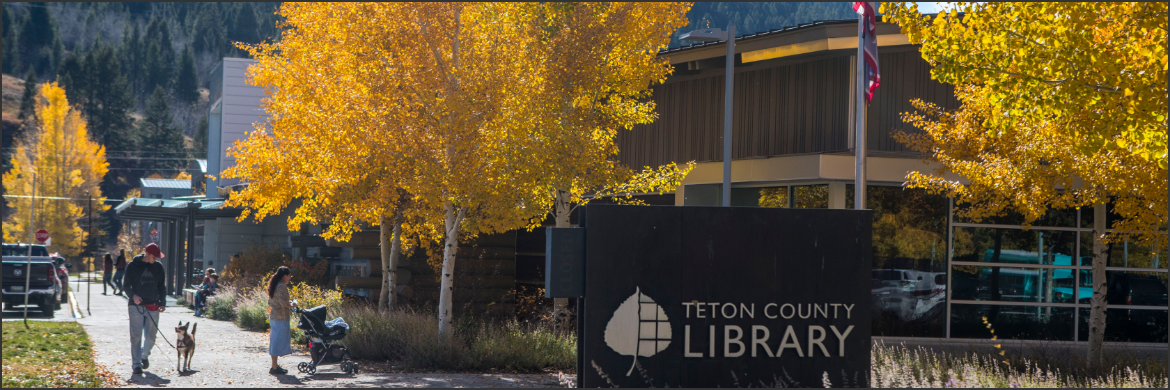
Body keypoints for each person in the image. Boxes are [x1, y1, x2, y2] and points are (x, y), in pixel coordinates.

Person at [124, 243, 167, 376]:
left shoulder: (158, 267)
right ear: (146, 254)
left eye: (158, 257)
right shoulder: (132, 266)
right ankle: (136, 364)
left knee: (151, 337)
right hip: (136, 305)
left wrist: (163, 302)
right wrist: (133, 296)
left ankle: (144, 354)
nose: (156, 259)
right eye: (154, 257)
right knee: (136, 336)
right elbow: (126, 285)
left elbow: (161, 286)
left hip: (153, 305)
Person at [267, 266, 296, 375]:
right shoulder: (282, 286)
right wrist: (293, 305)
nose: (289, 278)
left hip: (274, 316)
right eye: (289, 276)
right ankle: (274, 367)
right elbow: (284, 302)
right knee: (277, 341)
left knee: (274, 340)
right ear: (285, 276)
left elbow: (270, 302)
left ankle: (274, 366)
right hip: (281, 317)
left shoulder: (273, 285)